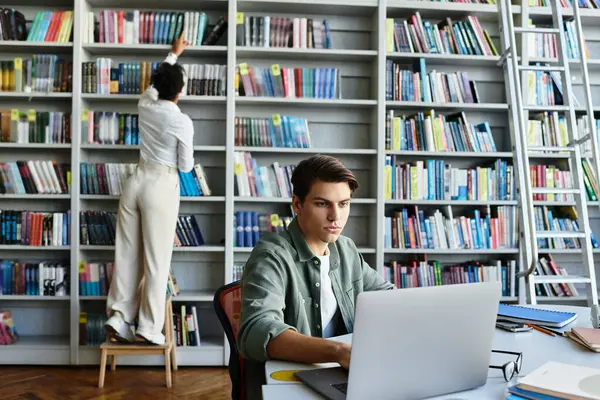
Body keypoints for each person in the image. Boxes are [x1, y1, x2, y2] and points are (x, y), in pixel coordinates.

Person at [237, 154, 394, 400]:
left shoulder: (346, 249)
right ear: (297, 205)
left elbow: (387, 299)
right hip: (291, 381)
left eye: (343, 204)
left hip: (340, 376)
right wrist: (338, 351)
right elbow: (257, 331)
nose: (335, 216)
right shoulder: (271, 256)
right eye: (322, 204)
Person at [104, 32, 193, 345]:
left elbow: (156, 86)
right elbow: (185, 166)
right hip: (160, 185)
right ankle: (149, 327)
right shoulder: (181, 121)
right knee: (157, 260)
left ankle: (118, 315)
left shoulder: (145, 104)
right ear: (180, 91)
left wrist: (173, 54)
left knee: (126, 254)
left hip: (135, 183)